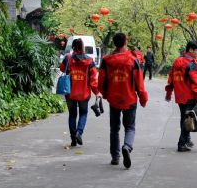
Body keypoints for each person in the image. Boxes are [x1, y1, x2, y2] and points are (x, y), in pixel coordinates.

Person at [98, 32, 149, 169]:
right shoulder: (133, 60)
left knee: (114, 129)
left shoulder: (106, 60)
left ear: (114, 43)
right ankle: (127, 146)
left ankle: (115, 157)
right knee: (130, 127)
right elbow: (139, 82)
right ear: (125, 42)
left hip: (114, 99)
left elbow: (101, 81)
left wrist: (105, 94)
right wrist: (143, 98)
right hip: (130, 98)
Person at [165, 40, 197, 152]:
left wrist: (169, 93)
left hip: (180, 96)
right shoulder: (191, 64)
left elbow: (171, 78)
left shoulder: (177, 61)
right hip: (189, 97)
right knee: (187, 119)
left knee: (184, 118)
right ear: (191, 50)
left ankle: (187, 140)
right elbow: (195, 83)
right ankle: (182, 143)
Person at [59, 38, 100, 147]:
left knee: (72, 115)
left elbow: (62, 69)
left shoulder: (68, 58)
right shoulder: (89, 61)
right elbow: (93, 79)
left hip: (70, 92)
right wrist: (97, 92)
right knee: (83, 113)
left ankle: (73, 139)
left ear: (72, 46)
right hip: (84, 93)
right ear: (83, 47)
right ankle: (79, 132)